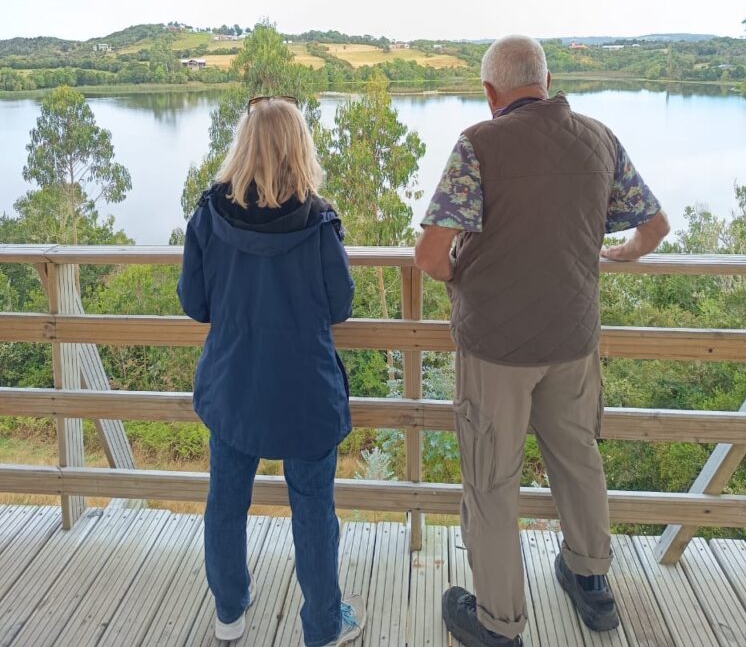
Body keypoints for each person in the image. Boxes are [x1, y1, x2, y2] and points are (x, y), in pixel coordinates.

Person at [415, 36, 669, 647]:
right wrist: (620, 253)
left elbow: (429, 255)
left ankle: (498, 622)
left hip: (496, 350)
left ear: (490, 91)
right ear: (548, 80)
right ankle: (591, 585)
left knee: (492, 480)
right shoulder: (598, 138)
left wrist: (464, 276)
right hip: (573, 339)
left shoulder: (480, 143)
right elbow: (654, 226)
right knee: (579, 458)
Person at [178, 95, 366, 647]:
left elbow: (195, 303)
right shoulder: (320, 221)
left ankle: (230, 612)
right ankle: (324, 626)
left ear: (243, 146)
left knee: (226, 502)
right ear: (299, 148)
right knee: (313, 510)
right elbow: (340, 306)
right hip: (305, 391)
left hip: (233, 386)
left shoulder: (208, 216)